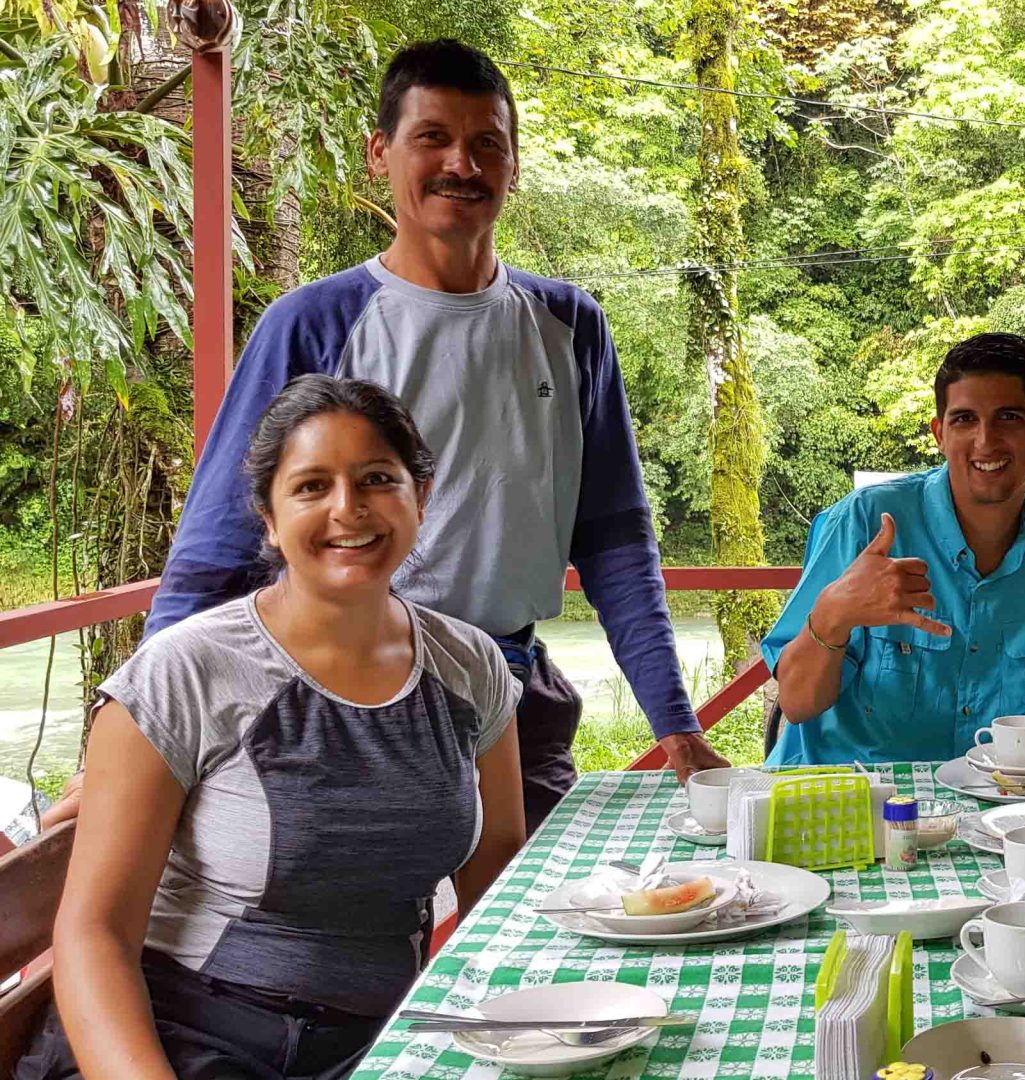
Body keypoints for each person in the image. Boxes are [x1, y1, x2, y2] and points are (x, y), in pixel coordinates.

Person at [136, 39, 723, 827]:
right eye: (433, 139)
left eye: (488, 143)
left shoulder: (568, 325)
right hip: (345, 697)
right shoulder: (316, 323)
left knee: (543, 927)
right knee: (371, 940)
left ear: (514, 164)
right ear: (381, 153)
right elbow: (218, 542)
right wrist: (135, 727)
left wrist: (676, 726)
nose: (463, 165)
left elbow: (615, 536)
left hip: (515, 695)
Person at [15, 376, 526, 1080]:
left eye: (378, 478)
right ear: (268, 515)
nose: (348, 510)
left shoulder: (469, 665)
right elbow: (93, 934)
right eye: (312, 486)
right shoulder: (186, 672)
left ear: (421, 496)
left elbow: (496, 867)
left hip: (376, 1045)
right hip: (183, 1039)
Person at [762, 332, 1025, 765]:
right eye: (964, 419)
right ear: (939, 432)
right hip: (851, 801)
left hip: (995, 810)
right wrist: (835, 614)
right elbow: (798, 703)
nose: (985, 441)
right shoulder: (868, 523)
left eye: (1008, 417)